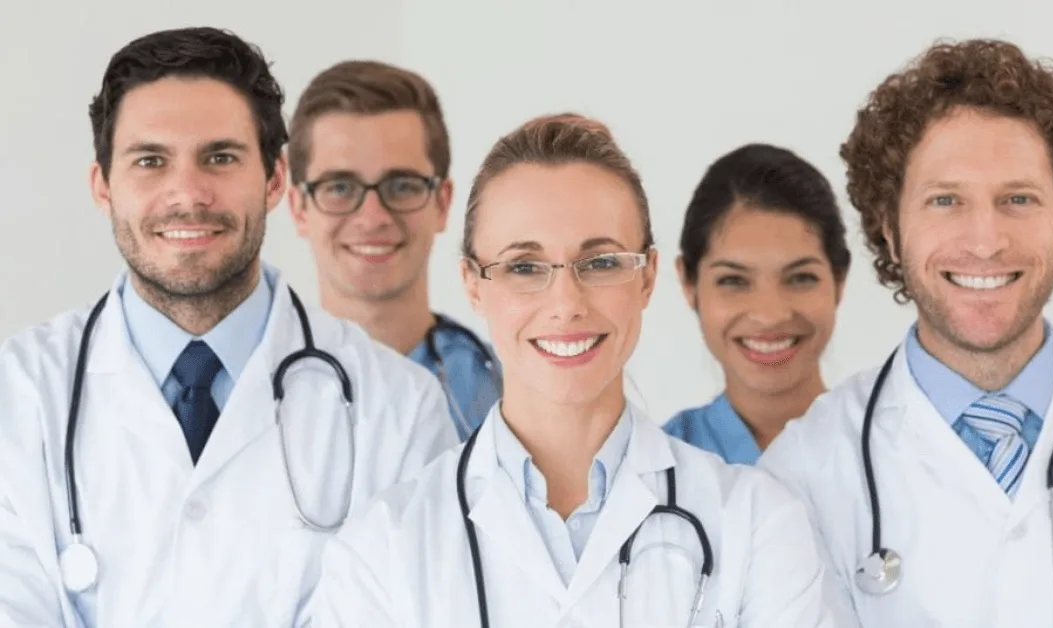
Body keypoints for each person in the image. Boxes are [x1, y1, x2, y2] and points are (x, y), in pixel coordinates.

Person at [309, 113, 850, 626]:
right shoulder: (380, 548)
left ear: (647, 277)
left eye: (601, 262)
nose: (566, 302)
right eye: (524, 266)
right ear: (474, 284)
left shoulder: (757, 524)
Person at [0, 28, 458, 626]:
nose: (188, 194)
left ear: (273, 180)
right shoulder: (21, 395)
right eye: (150, 160)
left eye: (220, 157)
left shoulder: (399, 412)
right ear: (103, 187)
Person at [757, 38, 1053, 627]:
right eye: (946, 201)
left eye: (1019, 198)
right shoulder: (801, 476)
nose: (986, 240)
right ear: (890, 228)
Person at [286, 60, 501, 441]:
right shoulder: (249, 391)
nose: (373, 218)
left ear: (442, 203)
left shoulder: (511, 395)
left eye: (401, 186)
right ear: (298, 208)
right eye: (340, 187)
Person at [663, 143, 851, 464]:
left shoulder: (895, 449)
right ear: (688, 283)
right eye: (733, 281)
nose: (770, 315)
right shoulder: (657, 469)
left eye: (800, 277)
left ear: (839, 280)